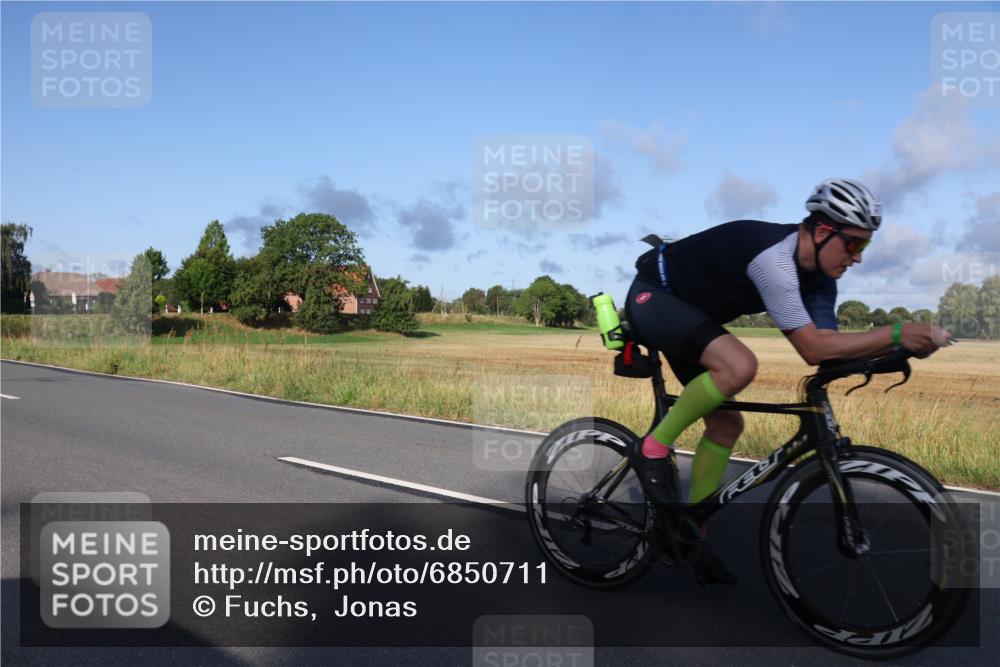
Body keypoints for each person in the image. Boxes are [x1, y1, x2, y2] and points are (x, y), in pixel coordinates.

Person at [623, 177, 951, 585]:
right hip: (654, 298)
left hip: (692, 317)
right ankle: (651, 449)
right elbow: (812, 348)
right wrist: (898, 333)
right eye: (853, 244)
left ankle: (690, 530)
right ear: (822, 231)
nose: (857, 258)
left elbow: (831, 349)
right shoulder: (775, 262)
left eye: (864, 246)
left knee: (726, 424)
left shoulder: (821, 282)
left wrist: (893, 353)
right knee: (739, 365)